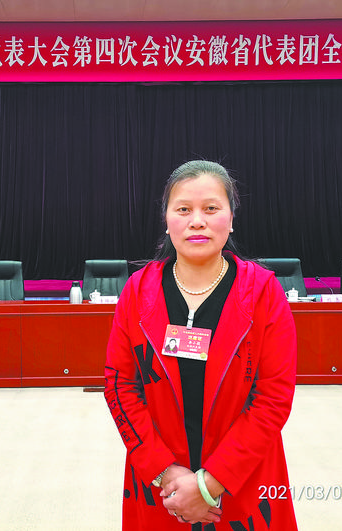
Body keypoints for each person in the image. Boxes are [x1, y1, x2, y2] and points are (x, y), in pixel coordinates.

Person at [104, 160, 298, 530]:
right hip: (162, 488)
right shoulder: (138, 292)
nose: (197, 221)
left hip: (243, 480)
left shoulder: (263, 292)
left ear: (231, 217)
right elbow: (119, 385)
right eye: (183, 209)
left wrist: (210, 483)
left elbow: (273, 397)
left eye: (211, 208)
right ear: (166, 219)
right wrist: (164, 471)